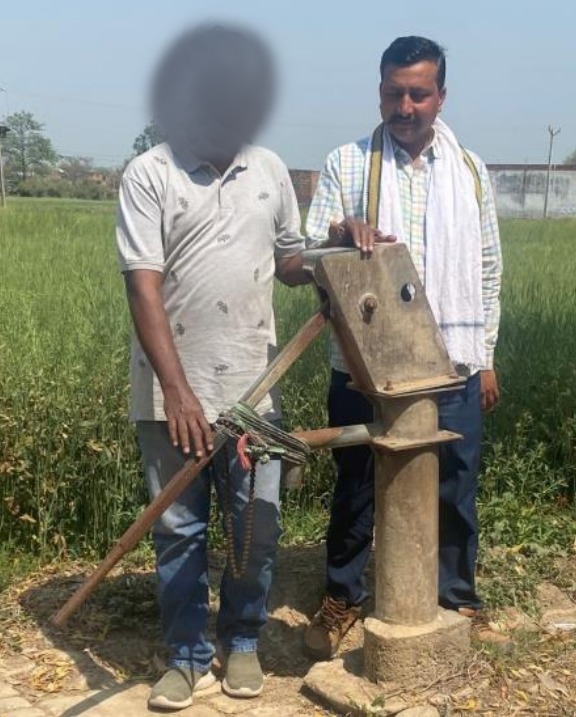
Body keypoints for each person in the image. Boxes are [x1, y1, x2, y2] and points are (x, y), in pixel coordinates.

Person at [116, 24, 310, 710]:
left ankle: (245, 640)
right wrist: (179, 394)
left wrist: (326, 251)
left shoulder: (270, 170)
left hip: (256, 391)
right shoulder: (151, 174)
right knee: (178, 532)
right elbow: (143, 285)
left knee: (256, 529)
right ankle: (186, 654)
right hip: (173, 396)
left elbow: (289, 260)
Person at [304, 35, 504, 660]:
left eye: (419, 93)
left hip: (453, 361)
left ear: (441, 96)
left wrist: (488, 355)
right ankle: (343, 599)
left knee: (454, 486)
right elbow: (307, 259)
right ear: (380, 92)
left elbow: (489, 267)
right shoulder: (348, 164)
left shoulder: (469, 170)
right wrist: (340, 233)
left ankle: (458, 599)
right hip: (366, 369)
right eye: (395, 92)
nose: (406, 105)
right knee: (358, 485)